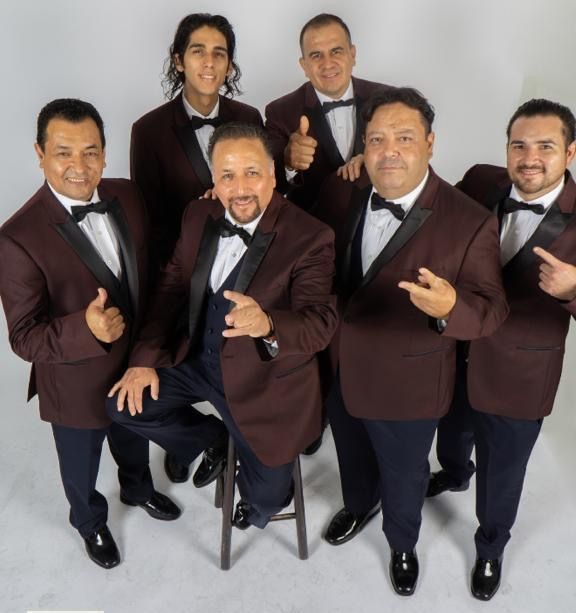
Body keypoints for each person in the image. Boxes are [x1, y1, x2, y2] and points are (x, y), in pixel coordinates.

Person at [314, 87, 508, 596]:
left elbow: (491, 312)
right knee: (351, 456)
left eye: (403, 138)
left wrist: (450, 311)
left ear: (430, 143)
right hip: (341, 367)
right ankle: (358, 505)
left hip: (411, 385)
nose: (389, 150)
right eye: (376, 139)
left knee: (404, 476)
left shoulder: (470, 221)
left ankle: (401, 542)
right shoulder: (343, 195)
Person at [106, 123, 337, 530]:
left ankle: (256, 489)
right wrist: (143, 360)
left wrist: (268, 324)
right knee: (123, 405)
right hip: (198, 362)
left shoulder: (311, 236)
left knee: (265, 501)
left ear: (273, 174)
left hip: (265, 385)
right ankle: (212, 439)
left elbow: (319, 324)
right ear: (214, 179)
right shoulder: (199, 214)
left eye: (252, 172)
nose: (240, 188)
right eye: (227, 175)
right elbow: (171, 289)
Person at [0, 99, 180, 570]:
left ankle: (139, 489)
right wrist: (85, 329)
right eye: (63, 152)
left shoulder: (129, 195)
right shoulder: (16, 237)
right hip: (73, 383)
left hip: (134, 367)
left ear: (105, 152)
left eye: (90, 152)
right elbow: (24, 337)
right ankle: (89, 521)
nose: (78, 166)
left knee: (133, 439)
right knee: (79, 466)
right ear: (39, 153)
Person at [427, 98, 576, 600]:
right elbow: (432, 204)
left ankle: (490, 547)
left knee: (503, 474)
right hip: (456, 353)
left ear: (570, 153)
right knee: (451, 435)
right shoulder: (479, 180)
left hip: (518, 380)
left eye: (545, 147)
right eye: (519, 144)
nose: (529, 157)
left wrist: (574, 290)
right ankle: (454, 471)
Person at [130, 13, 264, 484]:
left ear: (229, 64)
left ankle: (240, 431)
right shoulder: (148, 130)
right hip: (181, 268)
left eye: (220, 53)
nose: (209, 61)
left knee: (227, 357)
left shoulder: (249, 119)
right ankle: (186, 439)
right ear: (178, 60)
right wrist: (198, 213)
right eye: (198, 51)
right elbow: (148, 215)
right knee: (176, 356)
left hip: (240, 270)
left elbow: (264, 196)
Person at [265, 13, 387, 212]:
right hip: (314, 231)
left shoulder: (388, 99)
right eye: (316, 55)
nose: (327, 63)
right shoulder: (280, 112)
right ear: (304, 65)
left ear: (352, 55)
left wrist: (375, 156)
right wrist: (288, 163)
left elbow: (413, 154)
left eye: (336, 51)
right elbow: (270, 187)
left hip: (380, 225)